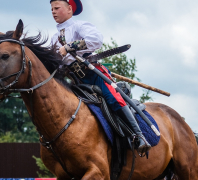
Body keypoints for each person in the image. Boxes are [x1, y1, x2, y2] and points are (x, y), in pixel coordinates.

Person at [50, 0, 151, 154]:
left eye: (57, 8)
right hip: (75, 80)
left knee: (113, 98)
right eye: (51, 9)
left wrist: (68, 47)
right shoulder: (53, 38)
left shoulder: (80, 26)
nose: (53, 11)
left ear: (69, 9)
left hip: (93, 73)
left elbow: (96, 40)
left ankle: (139, 136)